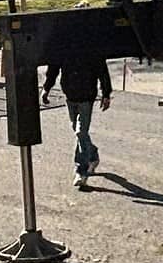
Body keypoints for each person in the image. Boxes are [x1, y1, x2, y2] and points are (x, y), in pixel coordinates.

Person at [42, 54, 112, 190]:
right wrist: (46, 88)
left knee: (81, 132)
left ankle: (81, 172)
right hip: (70, 95)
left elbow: (102, 70)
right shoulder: (63, 44)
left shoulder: (91, 45)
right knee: (77, 130)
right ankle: (92, 154)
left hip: (87, 96)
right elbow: (54, 67)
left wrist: (106, 94)